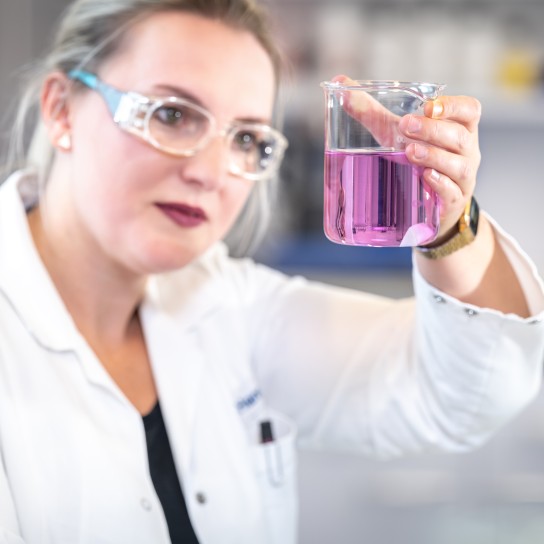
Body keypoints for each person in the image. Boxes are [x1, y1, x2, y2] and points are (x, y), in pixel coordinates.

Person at [0, 0, 543, 543]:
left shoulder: (232, 309)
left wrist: (450, 226)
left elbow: (459, 396)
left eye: (244, 139)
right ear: (61, 109)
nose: (210, 173)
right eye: (171, 114)